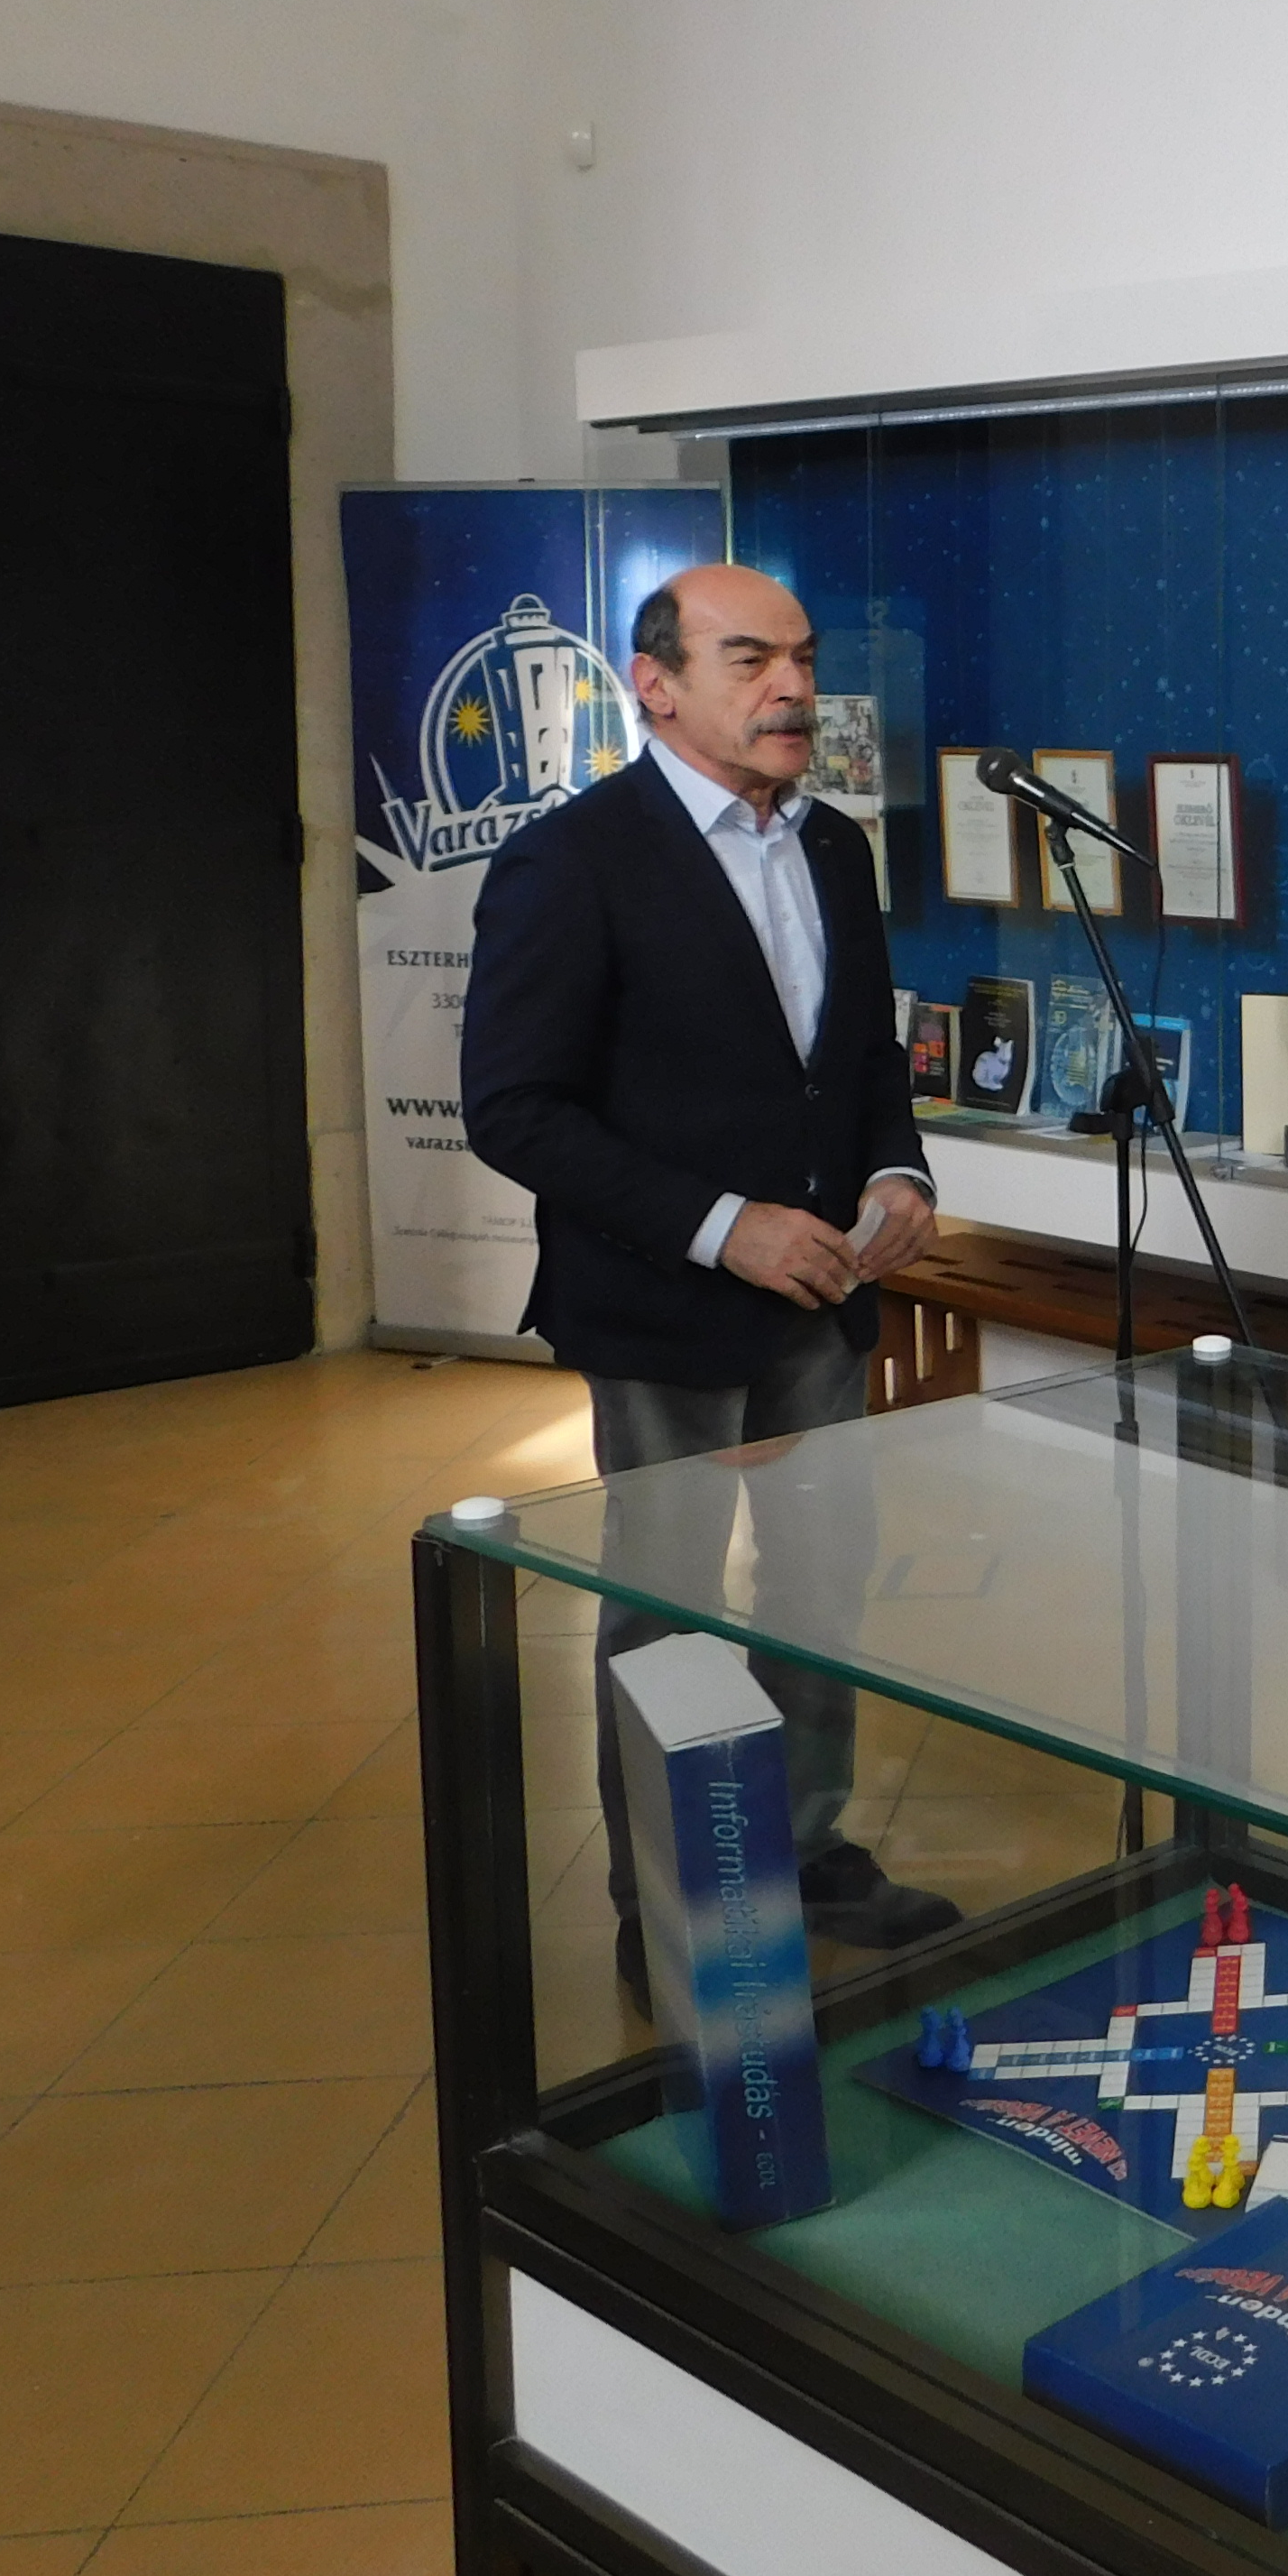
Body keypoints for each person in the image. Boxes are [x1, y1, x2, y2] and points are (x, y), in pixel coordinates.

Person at [463, 563, 961, 2007]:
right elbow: (516, 1110)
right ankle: (672, 1898)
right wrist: (723, 1226)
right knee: (667, 1608)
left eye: (801, 658)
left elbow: (864, 1063)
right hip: (663, 1303)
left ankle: (806, 1850)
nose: (793, 687)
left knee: (820, 1590)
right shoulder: (573, 862)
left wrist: (898, 1174)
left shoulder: (836, 848)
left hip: (827, 1302)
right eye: (751, 659)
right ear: (657, 685)